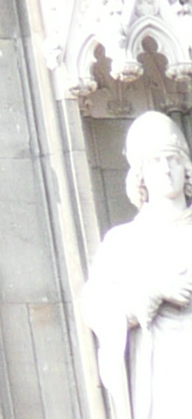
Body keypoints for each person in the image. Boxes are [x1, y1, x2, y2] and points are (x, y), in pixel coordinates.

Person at [84, 112, 192, 419]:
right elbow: (97, 308)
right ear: (140, 174)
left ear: (186, 167)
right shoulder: (124, 241)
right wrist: (153, 292)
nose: (166, 169)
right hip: (163, 376)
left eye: (173, 159)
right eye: (155, 161)